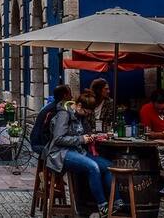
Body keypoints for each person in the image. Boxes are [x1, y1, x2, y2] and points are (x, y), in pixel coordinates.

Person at [46, 85, 115, 218]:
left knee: (108, 166)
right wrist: (81, 139)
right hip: (61, 153)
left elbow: (86, 132)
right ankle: (103, 206)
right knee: (93, 167)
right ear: (78, 106)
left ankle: (116, 203)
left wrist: (93, 135)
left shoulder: (81, 116)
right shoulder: (64, 114)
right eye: (86, 112)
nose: (87, 115)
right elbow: (58, 138)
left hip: (77, 151)